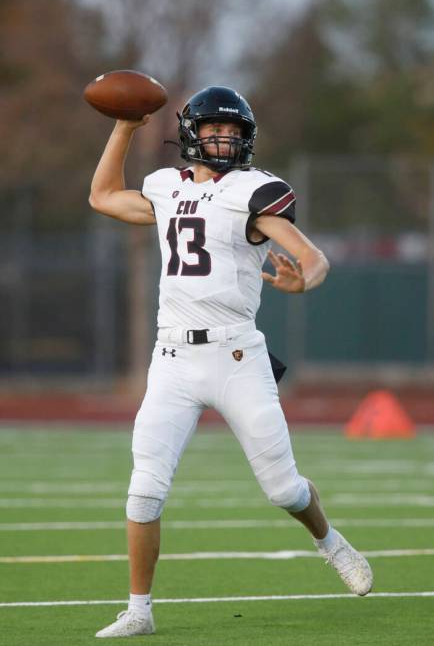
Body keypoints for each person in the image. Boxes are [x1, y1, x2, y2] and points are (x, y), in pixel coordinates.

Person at [88, 86, 372, 639]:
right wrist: (124, 125)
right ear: (193, 133)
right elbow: (102, 196)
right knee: (144, 487)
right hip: (171, 355)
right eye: (216, 130)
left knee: (283, 489)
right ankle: (139, 610)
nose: (226, 140)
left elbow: (313, 257)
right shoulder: (165, 188)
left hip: (237, 354)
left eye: (234, 132)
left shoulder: (251, 192)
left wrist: (302, 279)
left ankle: (330, 542)